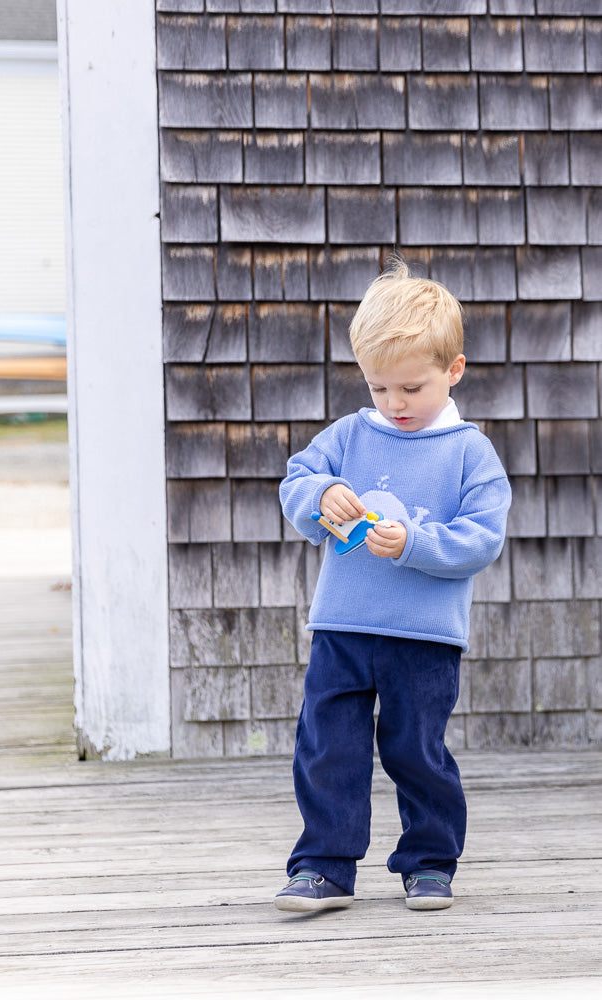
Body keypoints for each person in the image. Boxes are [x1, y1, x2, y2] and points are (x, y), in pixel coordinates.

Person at [275, 258, 511, 913]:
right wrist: (323, 492)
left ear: (452, 370)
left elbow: (480, 539)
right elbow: (295, 481)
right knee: (328, 748)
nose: (394, 404)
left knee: (415, 751)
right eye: (379, 388)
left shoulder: (470, 453)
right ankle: (322, 867)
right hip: (342, 627)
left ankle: (429, 864)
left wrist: (413, 543)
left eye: (410, 387)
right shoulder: (349, 436)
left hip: (424, 636)